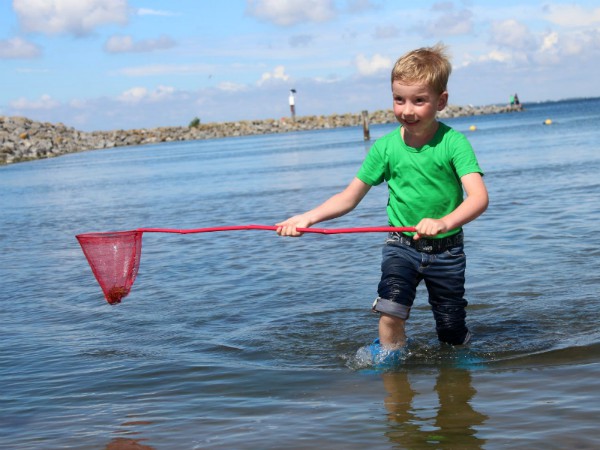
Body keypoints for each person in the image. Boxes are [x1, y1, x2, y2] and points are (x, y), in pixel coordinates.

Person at [276, 44, 488, 360]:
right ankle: (391, 365)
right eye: (398, 99)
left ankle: (459, 365)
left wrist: (444, 222)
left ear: (441, 101)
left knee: (450, 328)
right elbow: (349, 197)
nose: (407, 110)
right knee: (390, 309)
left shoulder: (454, 143)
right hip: (400, 246)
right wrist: (307, 218)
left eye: (419, 101)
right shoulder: (385, 148)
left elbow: (479, 198)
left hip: (447, 250)